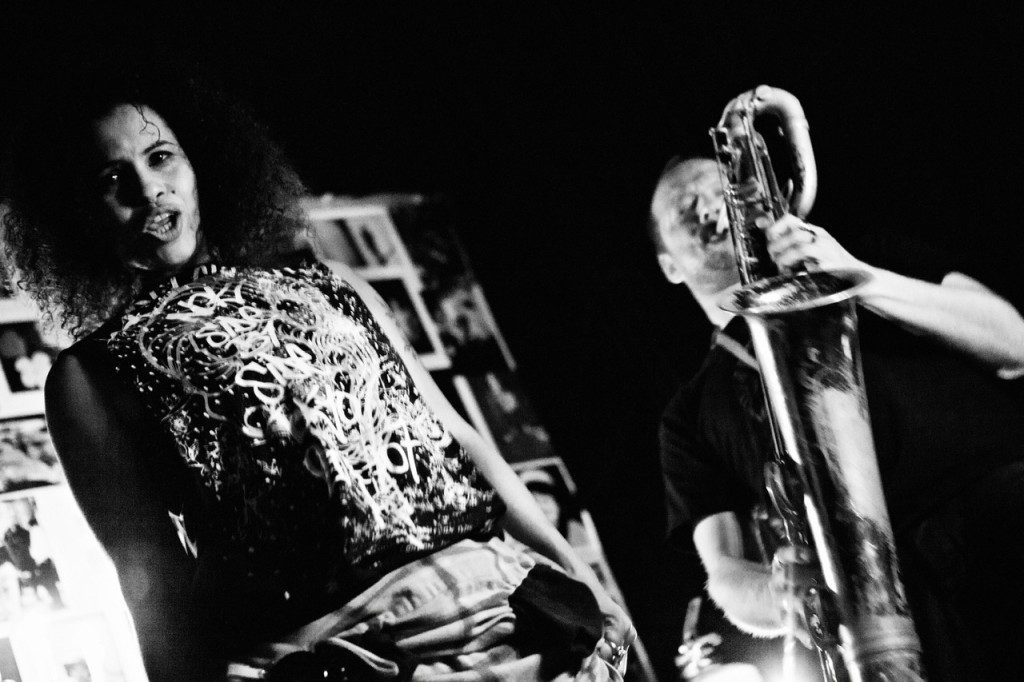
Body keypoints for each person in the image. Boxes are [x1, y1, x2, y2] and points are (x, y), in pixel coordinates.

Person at [0, 69, 634, 681]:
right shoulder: (91, 376)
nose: (149, 190)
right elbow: (147, 576)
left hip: (504, 608)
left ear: (202, 164)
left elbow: (457, 437)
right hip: (340, 654)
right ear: (75, 213)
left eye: (161, 157)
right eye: (113, 179)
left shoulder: (331, 285)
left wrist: (577, 573)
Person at [649, 156, 1024, 679]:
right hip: (892, 601)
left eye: (718, 188)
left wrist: (863, 280)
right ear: (669, 266)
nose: (706, 206)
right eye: (683, 207)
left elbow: (1013, 341)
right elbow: (725, 573)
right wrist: (782, 597)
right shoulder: (688, 416)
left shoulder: (866, 257)